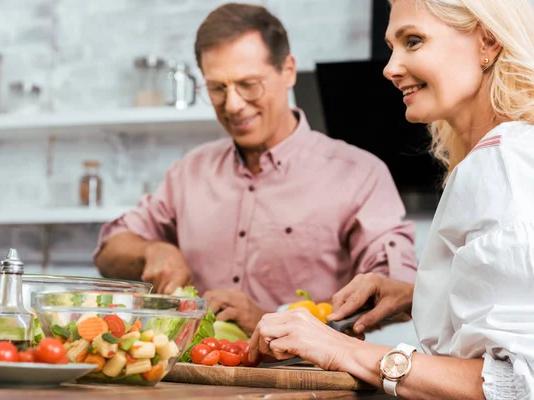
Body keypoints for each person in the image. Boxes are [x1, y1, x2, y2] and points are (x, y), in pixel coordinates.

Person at [249, 0, 534, 397]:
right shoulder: (507, 154)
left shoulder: (501, 162)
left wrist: (340, 349)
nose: (390, 67)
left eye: (413, 41)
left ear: (487, 42)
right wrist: (420, 295)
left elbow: (515, 384)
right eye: (391, 46)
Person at [93, 3, 417, 335]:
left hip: (308, 381)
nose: (232, 105)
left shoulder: (359, 174)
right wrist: (153, 250)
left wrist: (272, 319)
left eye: (249, 84)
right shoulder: (188, 173)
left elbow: (397, 294)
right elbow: (108, 252)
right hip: (195, 379)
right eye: (217, 88)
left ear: (288, 70)